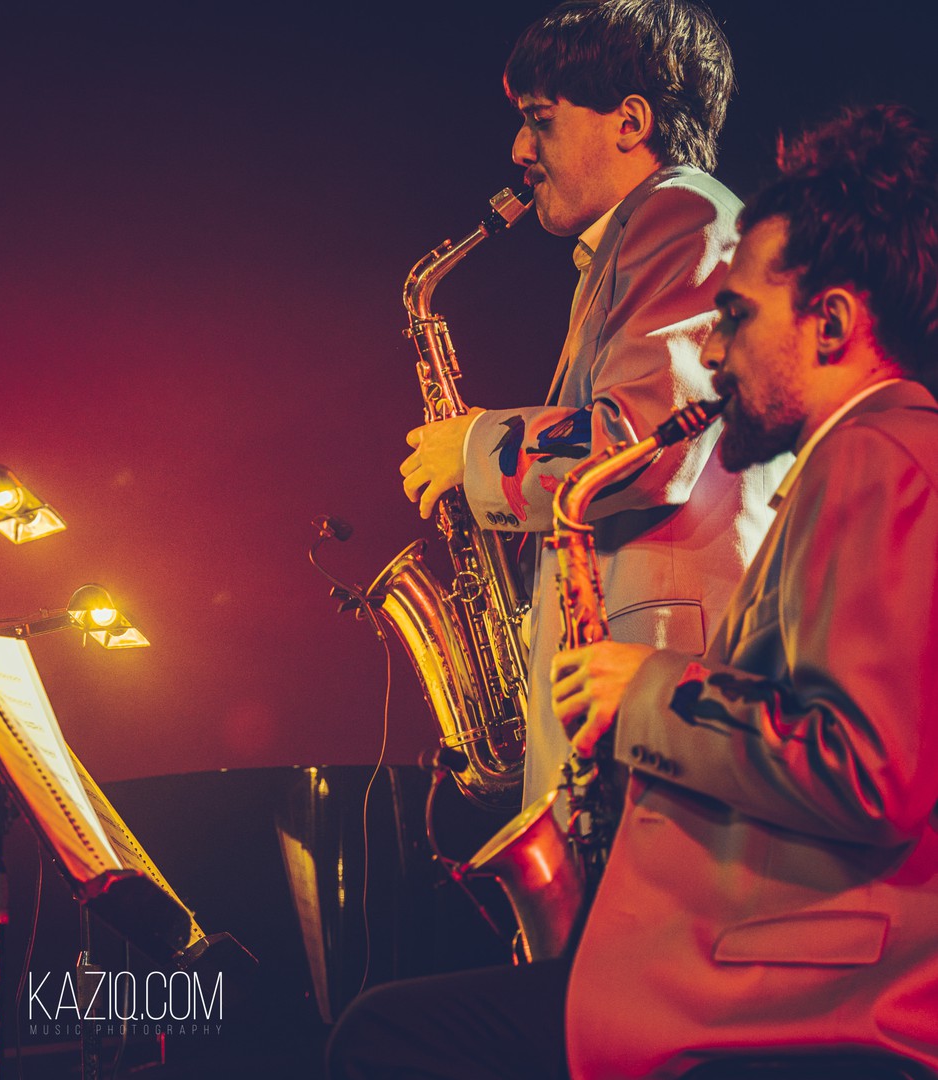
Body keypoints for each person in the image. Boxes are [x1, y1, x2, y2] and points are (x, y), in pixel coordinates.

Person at [330, 102, 938, 1079]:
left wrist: (644, 689)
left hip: (822, 1000)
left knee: (383, 1035)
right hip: (791, 968)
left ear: (830, 323)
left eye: (735, 318)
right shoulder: (864, 459)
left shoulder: (877, 457)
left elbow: (866, 769)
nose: (709, 354)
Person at [399, 0, 786, 809]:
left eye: (540, 119)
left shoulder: (681, 212)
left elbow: (646, 440)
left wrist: (472, 449)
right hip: (646, 696)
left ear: (630, 122)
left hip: (664, 695)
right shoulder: (632, 242)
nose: (518, 149)